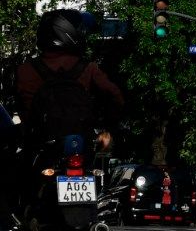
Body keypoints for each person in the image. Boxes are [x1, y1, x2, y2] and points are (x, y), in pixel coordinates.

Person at [15, 10, 124, 168]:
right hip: (81, 146)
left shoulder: (25, 70)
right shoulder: (88, 68)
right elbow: (115, 97)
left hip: (40, 148)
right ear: (70, 34)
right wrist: (106, 126)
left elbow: (21, 107)